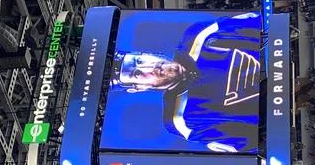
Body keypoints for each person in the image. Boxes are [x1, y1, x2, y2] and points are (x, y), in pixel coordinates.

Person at [111, 12, 262, 152]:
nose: (150, 67)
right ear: (138, 88)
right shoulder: (181, 120)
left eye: (140, 60)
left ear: (147, 53)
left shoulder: (199, 36)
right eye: (137, 74)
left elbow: (261, 22)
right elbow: (249, 144)